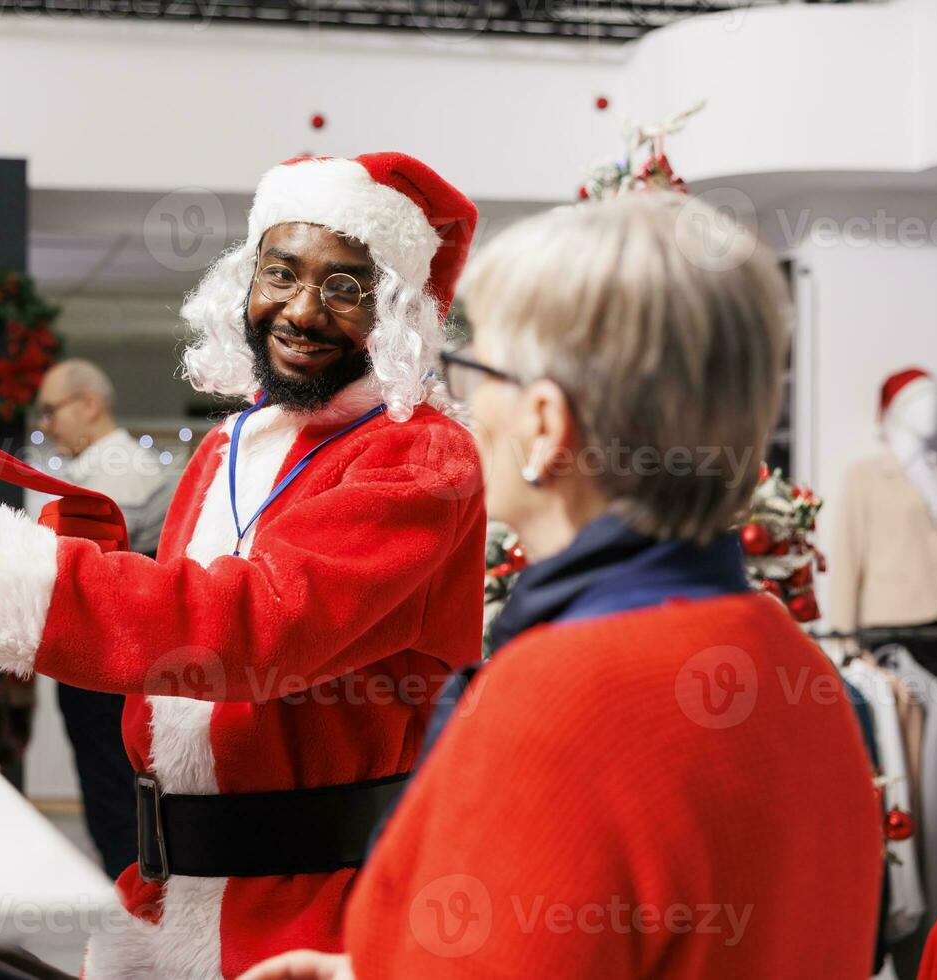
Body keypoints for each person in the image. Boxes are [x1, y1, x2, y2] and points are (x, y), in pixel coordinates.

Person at [0, 152, 484, 978]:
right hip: (161, 892)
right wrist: (91, 560)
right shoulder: (228, 443)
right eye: (282, 271)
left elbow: (254, 629)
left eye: (345, 287)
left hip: (311, 914)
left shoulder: (422, 455)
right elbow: (179, 643)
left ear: (393, 313)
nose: (303, 310)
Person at [240, 193, 884, 979]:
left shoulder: (563, 699)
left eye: (478, 371)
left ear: (545, 425)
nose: (467, 404)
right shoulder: (791, 665)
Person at [35, 358, 171, 878]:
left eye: (52, 411)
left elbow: (96, 581)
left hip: (108, 672)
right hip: (103, 668)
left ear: (87, 404)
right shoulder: (104, 471)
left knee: (114, 801)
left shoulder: (120, 475)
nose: (46, 425)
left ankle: (135, 918)